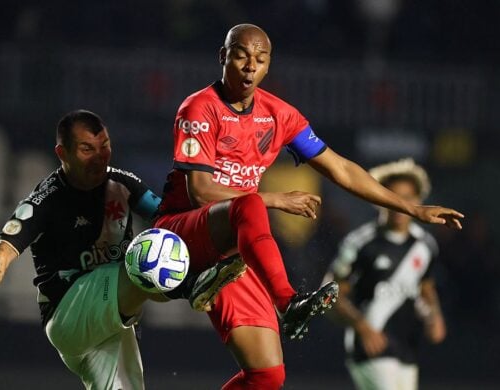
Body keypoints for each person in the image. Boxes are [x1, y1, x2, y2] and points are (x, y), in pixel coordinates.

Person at [154, 24, 463, 389]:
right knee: (250, 207)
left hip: (231, 252)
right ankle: (288, 303)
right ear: (224, 57)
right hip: (183, 232)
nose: (251, 66)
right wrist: (273, 199)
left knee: (267, 376)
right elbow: (202, 192)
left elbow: (342, 169)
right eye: (241, 56)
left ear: (269, 65)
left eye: (261, 59)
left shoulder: (279, 115)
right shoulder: (199, 108)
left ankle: (243, 288)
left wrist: (414, 210)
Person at [0, 109, 244, 390]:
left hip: (109, 314)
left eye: (105, 146)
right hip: (69, 311)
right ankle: (192, 286)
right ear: (63, 153)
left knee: (165, 242)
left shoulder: (122, 183)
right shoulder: (47, 199)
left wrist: (216, 225)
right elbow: (2, 248)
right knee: (151, 254)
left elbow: (172, 220)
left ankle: (194, 281)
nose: (100, 158)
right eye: (87, 149)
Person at [325, 158, 447, 390]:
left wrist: (435, 316)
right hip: (371, 348)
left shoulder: (425, 244)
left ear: (418, 200)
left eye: (408, 197)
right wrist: (362, 327)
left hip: (407, 348)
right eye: (393, 196)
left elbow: (426, 287)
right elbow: (330, 293)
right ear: (380, 199)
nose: (400, 204)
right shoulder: (361, 243)